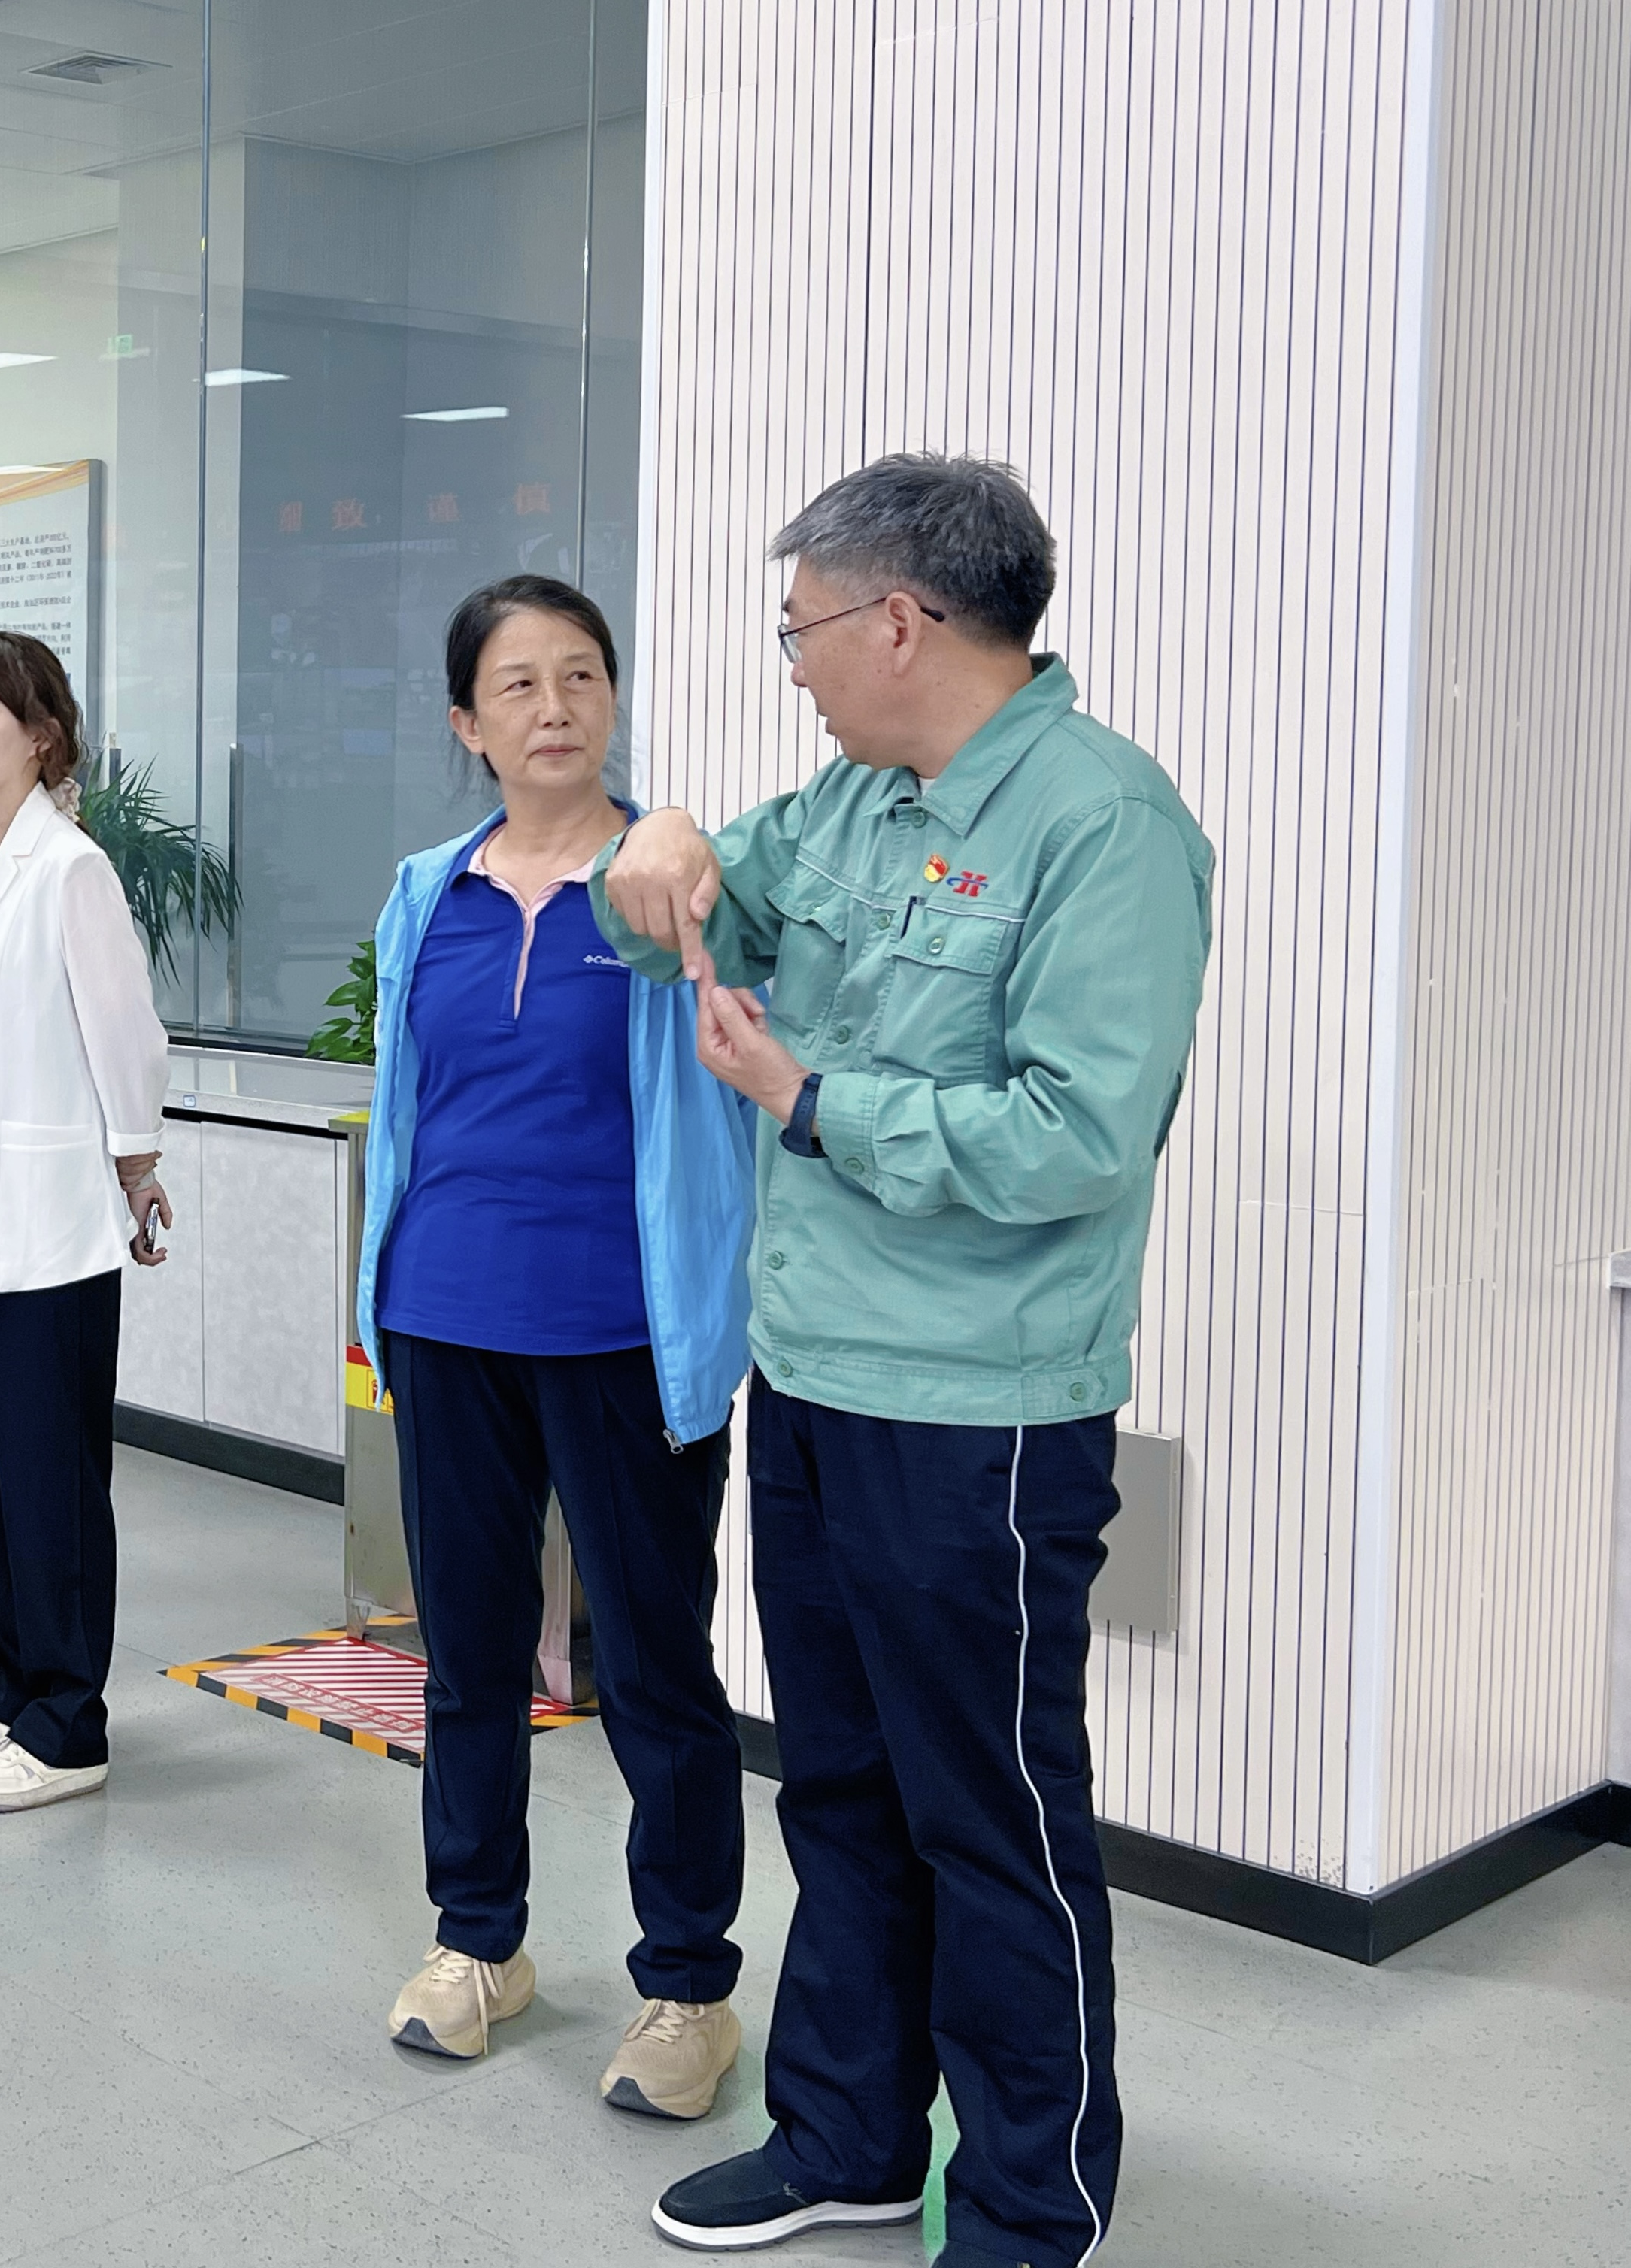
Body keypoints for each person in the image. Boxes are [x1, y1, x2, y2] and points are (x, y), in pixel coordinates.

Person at [601, 456, 1212, 2268]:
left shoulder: (1103, 825)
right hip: (814, 1379)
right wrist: (665, 840)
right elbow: (690, 905)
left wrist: (810, 1098)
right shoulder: (857, 802)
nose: (791, 662)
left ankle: (1031, 2202)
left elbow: (1080, 1137)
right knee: (843, 1788)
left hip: (979, 1419)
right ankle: (848, 2136)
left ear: (898, 621)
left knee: (990, 1815)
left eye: (798, 628)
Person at [354, 576, 761, 2115]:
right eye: (518, 684)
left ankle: (688, 1987)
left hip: (624, 1334)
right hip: (445, 1317)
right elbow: (410, 1104)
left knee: (656, 1668)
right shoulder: (425, 892)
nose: (555, 707)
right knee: (467, 1655)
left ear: (613, 699)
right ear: (468, 722)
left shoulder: (673, 887)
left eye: (581, 675)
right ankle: (479, 1942)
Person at [0, 631, 173, 1816]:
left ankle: (69, 1722)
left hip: (49, 1220)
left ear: (41, 734)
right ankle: (15, 1685)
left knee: (53, 1477)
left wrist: (138, 1164)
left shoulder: (70, 868)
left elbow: (125, 1030)